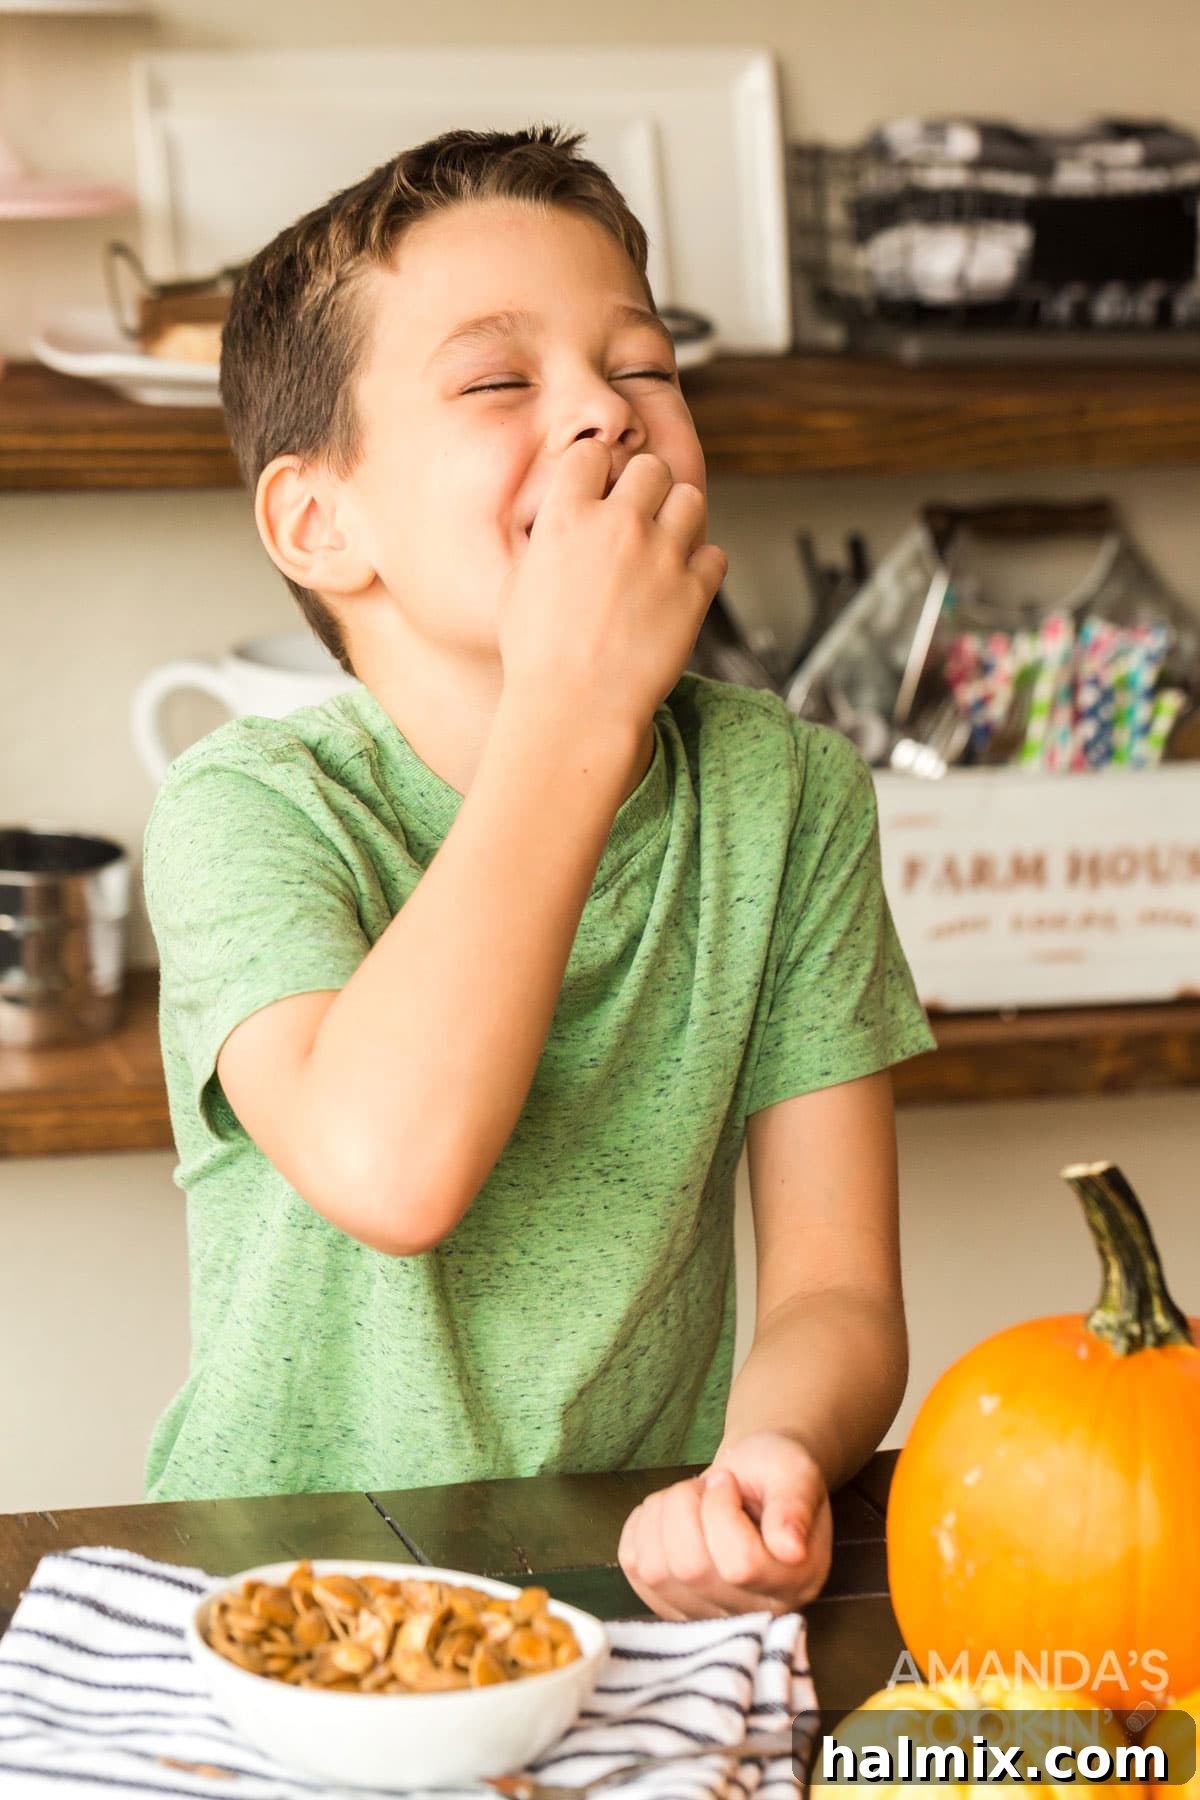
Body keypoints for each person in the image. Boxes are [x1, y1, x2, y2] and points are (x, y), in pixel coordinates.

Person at [142, 123, 936, 1620]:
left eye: (641, 367)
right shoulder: (247, 810)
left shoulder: (786, 791)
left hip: (623, 1599)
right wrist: (573, 709)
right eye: (500, 382)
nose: (601, 413)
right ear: (320, 522)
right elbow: (394, 1168)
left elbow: (835, 1287)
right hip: (275, 1608)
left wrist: (769, 1454)